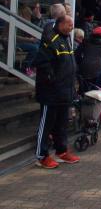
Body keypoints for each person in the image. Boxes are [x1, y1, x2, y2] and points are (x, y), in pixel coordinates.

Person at [32, 15, 80, 169]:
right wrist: (52, 81)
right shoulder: (50, 40)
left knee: (61, 125)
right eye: (69, 24)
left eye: (72, 25)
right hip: (51, 93)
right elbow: (42, 64)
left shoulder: (66, 39)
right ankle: (42, 156)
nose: (71, 27)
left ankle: (61, 151)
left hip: (65, 92)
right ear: (60, 24)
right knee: (46, 125)